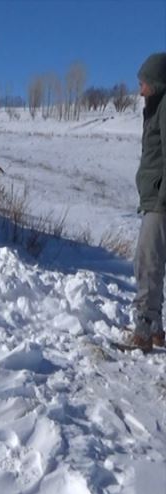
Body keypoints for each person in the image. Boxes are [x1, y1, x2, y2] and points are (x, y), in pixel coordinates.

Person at [130, 53, 166, 352]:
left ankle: (143, 331)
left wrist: (162, 199)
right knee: (153, 263)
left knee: (147, 263)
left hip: (161, 202)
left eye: (144, 84)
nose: (140, 90)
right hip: (155, 198)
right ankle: (155, 328)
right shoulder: (155, 107)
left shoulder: (165, 108)